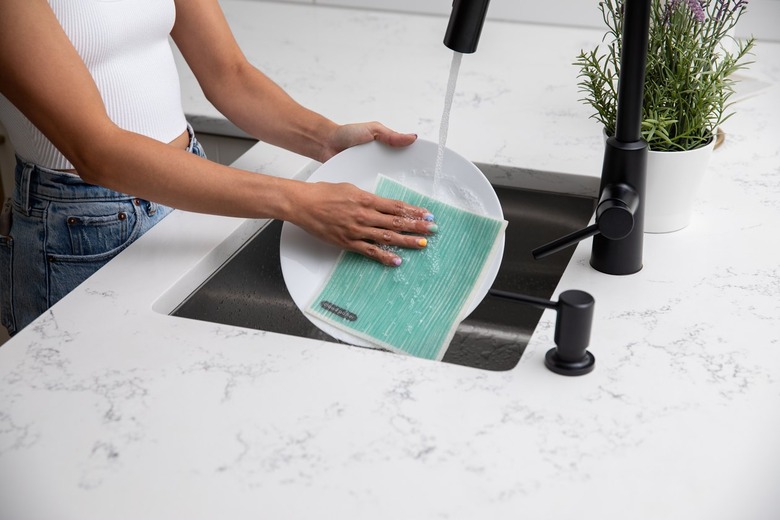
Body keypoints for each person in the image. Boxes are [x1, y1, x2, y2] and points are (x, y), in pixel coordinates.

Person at [0, 0, 437, 336]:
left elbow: (229, 73)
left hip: (193, 186)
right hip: (83, 229)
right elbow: (98, 151)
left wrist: (326, 138)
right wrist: (296, 200)